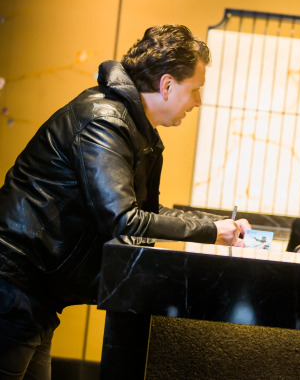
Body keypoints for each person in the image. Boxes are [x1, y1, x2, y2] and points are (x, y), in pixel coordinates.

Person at [0, 24, 251, 379]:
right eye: (195, 90)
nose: (198, 102)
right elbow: (123, 220)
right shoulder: (105, 121)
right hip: (13, 287)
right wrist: (211, 232)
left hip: (34, 293)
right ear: (167, 85)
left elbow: (145, 212)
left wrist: (216, 225)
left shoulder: (132, 125)